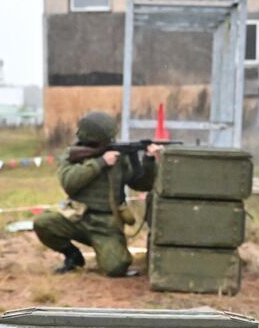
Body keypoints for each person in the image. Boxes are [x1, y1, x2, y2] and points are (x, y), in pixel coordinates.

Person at [32, 111, 162, 277]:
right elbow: (69, 183)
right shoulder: (75, 154)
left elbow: (141, 184)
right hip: (77, 217)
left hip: (107, 224)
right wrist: (100, 163)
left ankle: (105, 248)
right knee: (43, 222)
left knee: (116, 267)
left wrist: (149, 161)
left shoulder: (119, 156)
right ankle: (72, 255)